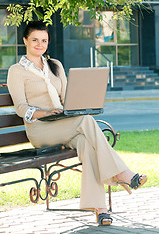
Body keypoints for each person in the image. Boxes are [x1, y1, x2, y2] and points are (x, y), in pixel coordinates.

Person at [7, 21, 147, 226]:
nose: (40, 44)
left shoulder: (55, 65)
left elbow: (66, 98)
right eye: (35, 39)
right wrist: (46, 112)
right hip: (40, 130)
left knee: (86, 144)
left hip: (64, 125)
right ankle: (122, 174)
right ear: (25, 40)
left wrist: (75, 106)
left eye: (44, 40)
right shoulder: (16, 71)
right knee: (87, 121)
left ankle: (100, 209)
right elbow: (21, 108)